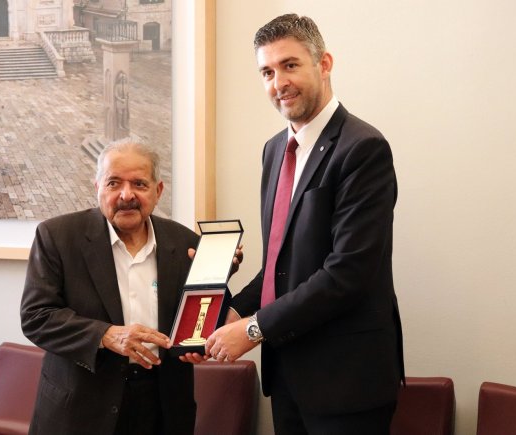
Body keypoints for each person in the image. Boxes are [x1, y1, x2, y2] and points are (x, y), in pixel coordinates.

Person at [198, 13, 405, 435]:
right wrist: (231, 313)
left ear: (324, 64)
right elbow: (282, 265)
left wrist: (252, 329)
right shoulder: (274, 150)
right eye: (267, 72)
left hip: (347, 382)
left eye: (290, 65)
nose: (279, 83)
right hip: (287, 376)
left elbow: (347, 274)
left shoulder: (363, 148)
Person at [20, 140, 240, 435]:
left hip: (163, 406)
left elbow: (202, 313)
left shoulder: (185, 242)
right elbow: (36, 317)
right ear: (98, 187)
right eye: (114, 183)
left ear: (158, 191)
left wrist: (220, 276)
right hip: (81, 408)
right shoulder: (57, 236)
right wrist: (107, 335)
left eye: (139, 184)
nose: (126, 195)